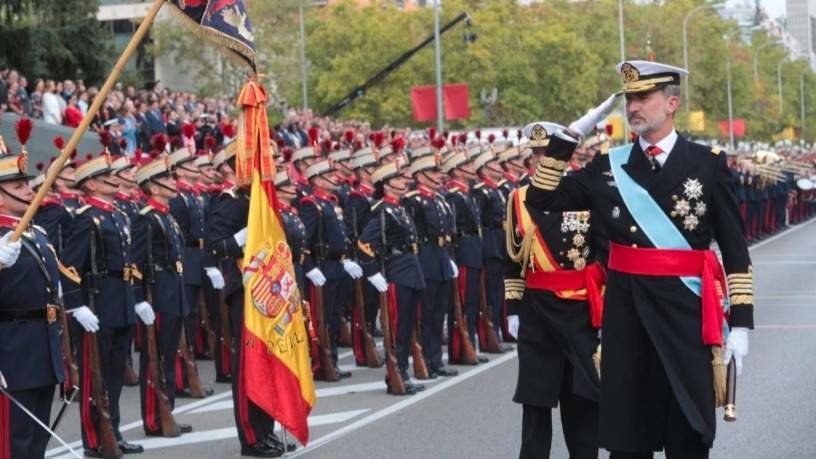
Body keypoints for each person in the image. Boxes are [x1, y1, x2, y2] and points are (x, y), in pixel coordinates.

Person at [524, 61, 753, 459]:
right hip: (627, 318)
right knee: (629, 439)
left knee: (689, 434)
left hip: (687, 316)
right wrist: (567, 139)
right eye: (629, 98)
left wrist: (743, 325)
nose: (633, 106)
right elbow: (542, 198)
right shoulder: (607, 167)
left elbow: (734, 249)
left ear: (672, 104)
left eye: (644, 97)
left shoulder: (707, 164)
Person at [505, 121, 605, 459]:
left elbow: (602, 253)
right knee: (535, 408)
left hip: (579, 315)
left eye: (547, 153)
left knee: (582, 408)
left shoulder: (584, 192)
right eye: (536, 154)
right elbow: (513, 257)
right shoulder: (518, 198)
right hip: (537, 316)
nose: (541, 160)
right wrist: (513, 307)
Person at [206, 142, 294, 457]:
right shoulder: (230, 202)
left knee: (269, 364)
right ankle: (251, 437)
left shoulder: (259, 199)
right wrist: (245, 236)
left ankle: (266, 430)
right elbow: (215, 245)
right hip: (246, 290)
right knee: (248, 367)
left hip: (269, 289)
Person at [60, 152, 144, 456]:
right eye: (107, 176)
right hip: (98, 303)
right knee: (95, 375)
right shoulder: (87, 218)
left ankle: (114, 431)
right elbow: (69, 267)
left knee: (113, 375)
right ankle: (94, 441)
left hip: (119, 301)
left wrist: (134, 299)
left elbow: (128, 262)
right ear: (91, 184)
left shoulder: (117, 214)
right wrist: (76, 306)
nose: (114, 179)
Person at [0, 148, 65, 458]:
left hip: (42, 347)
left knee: (37, 440)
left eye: (27, 184)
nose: (29, 190)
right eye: (18, 186)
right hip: (11, 353)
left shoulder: (34, 233)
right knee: (15, 442)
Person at [131, 154, 193, 437]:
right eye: (167, 179)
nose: (173, 182)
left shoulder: (165, 217)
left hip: (173, 290)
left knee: (168, 357)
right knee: (153, 360)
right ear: (153, 187)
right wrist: (139, 298)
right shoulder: (146, 220)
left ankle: (167, 413)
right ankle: (154, 419)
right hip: (157, 293)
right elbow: (136, 263)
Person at [358, 160, 426, 395]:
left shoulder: (398, 208)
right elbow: (364, 244)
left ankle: (404, 372)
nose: (402, 181)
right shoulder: (382, 212)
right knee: (397, 328)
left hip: (411, 269)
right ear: (385, 185)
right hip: (396, 270)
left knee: (408, 327)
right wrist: (373, 273)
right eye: (397, 179)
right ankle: (396, 375)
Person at [299, 158, 361, 381]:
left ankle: (332, 360)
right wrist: (309, 267)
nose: (336, 178)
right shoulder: (310, 204)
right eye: (329, 174)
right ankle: (320, 363)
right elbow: (304, 240)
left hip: (336, 266)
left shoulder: (331, 202)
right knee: (321, 318)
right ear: (317, 179)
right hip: (321, 267)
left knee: (334, 317)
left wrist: (345, 260)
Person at [402, 148, 459, 378]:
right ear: (419, 175)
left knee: (438, 314)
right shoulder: (413, 201)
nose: (438, 175)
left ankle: (436, 360)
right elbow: (411, 234)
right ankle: (425, 359)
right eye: (432, 172)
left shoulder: (439, 199)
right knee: (426, 315)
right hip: (425, 258)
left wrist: (449, 259)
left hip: (440, 257)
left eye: (438, 171)